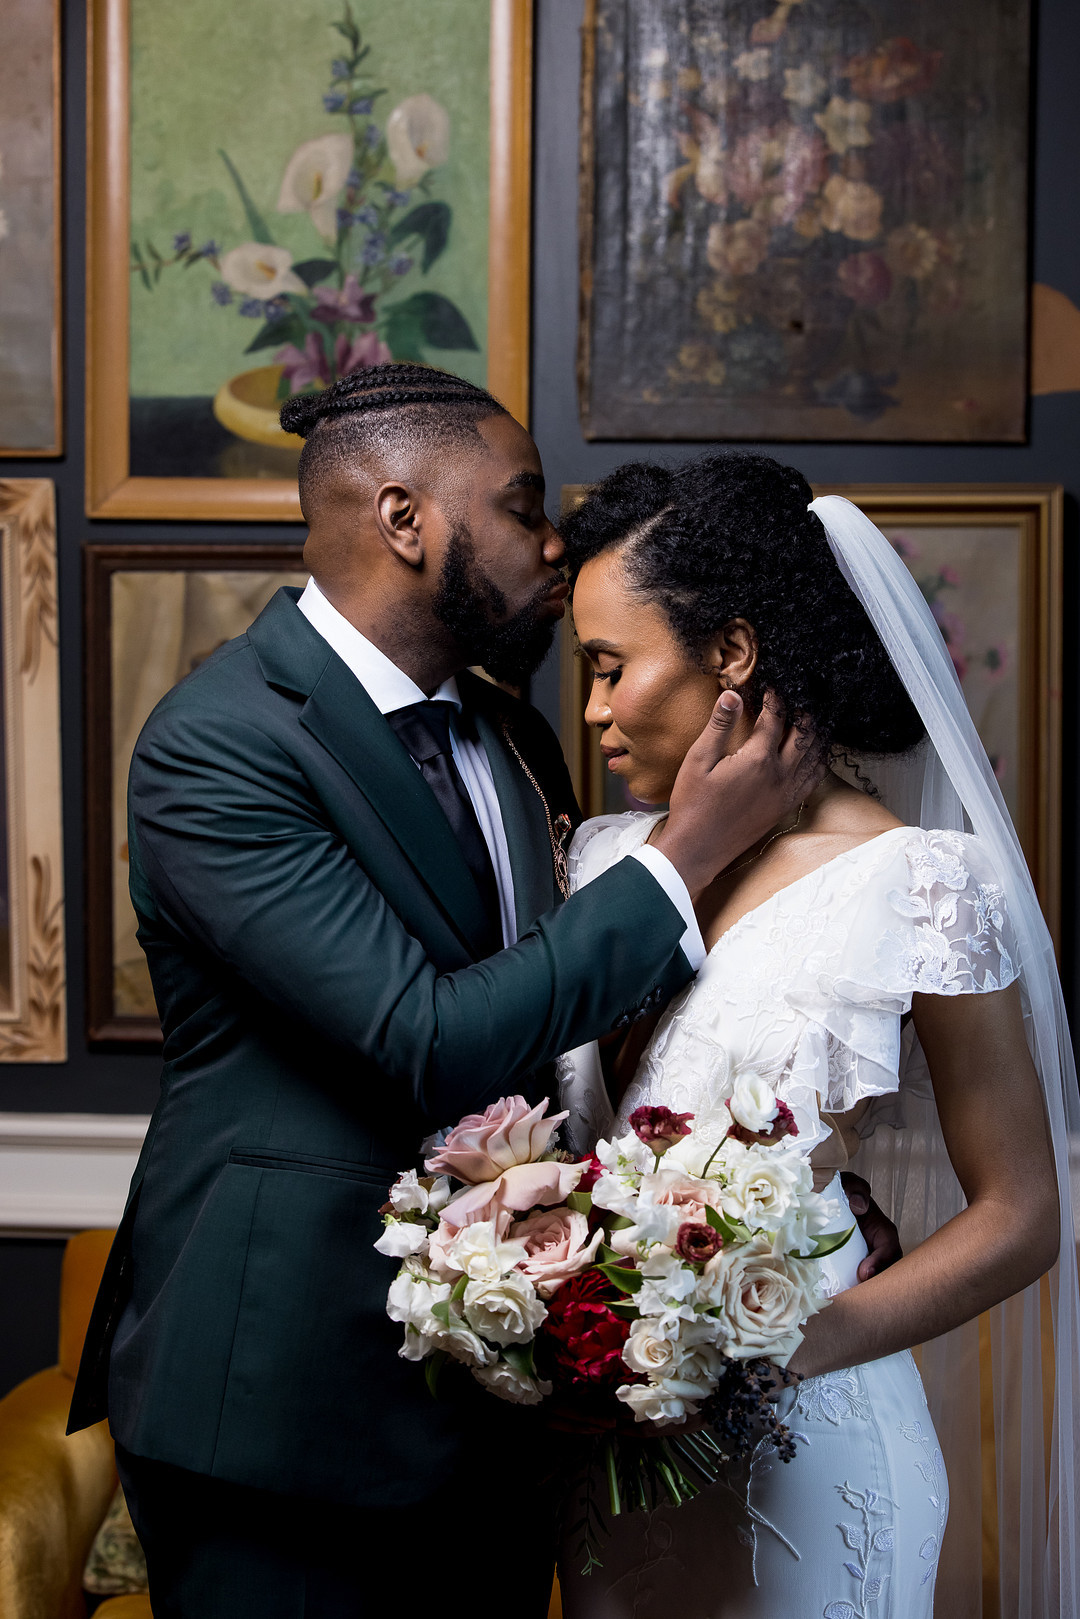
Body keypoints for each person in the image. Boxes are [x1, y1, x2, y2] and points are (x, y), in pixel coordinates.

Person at [67, 368, 899, 1619]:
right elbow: (430, 1036)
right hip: (282, 1409)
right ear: (407, 519)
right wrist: (689, 849)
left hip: (504, 1400)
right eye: (523, 505)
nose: (555, 541)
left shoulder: (511, 732)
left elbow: (564, 1043)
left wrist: (786, 1210)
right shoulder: (220, 741)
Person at [554, 452, 1078, 1619]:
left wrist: (793, 1344)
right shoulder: (601, 862)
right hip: (615, 1465)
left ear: (730, 653)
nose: (591, 708)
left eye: (609, 666)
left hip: (809, 1451)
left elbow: (1022, 1211)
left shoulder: (919, 879)